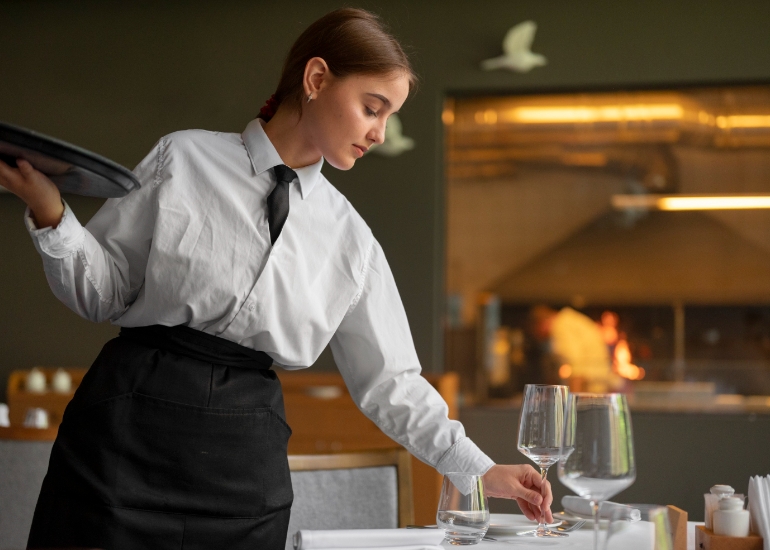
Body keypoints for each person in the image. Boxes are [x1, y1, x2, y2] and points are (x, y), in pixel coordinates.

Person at [0, 8, 553, 549]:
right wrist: (51, 212)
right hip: (122, 437)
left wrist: (480, 469)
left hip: (244, 466)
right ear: (316, 79)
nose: (380, 133)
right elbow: (104, 294)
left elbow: (392, 382)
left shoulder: (352, 240)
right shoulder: (183, 158)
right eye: (372, 108)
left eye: (388, 117)